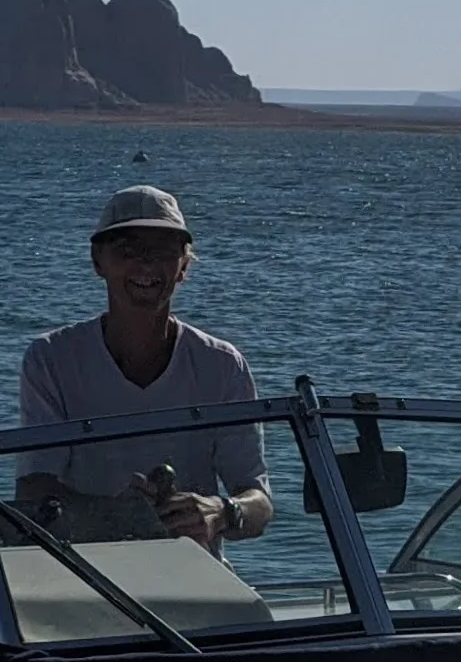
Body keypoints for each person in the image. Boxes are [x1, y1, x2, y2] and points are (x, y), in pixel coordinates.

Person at [14, 186, 271, 550]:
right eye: (128, 250)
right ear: (97, 261)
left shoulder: (223, 365)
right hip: (82, 578)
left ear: (184, 265)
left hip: (195, 582)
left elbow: (258, 503)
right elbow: (33, 488)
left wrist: (221, 512)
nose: (146, 264)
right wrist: (115, 515)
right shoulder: (51, 359)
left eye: (164, 251)